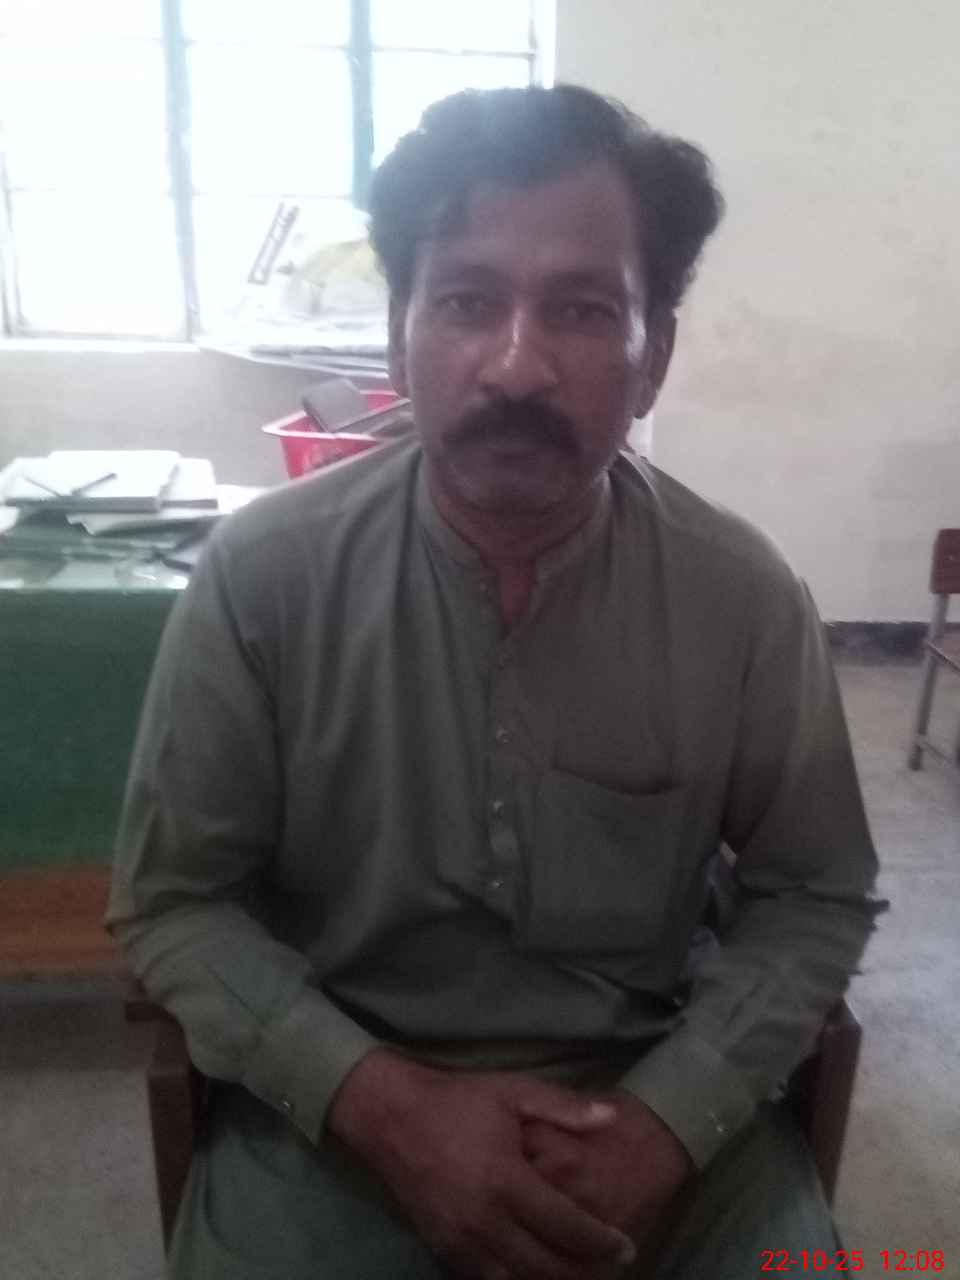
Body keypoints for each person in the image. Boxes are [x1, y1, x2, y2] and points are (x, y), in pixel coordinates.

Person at [108, 85, 883, 1280]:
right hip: (336, 1118)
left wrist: (669, 1121)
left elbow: (815, 892)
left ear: (656, 355)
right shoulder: (263, 578)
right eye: (467, 300)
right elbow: (173, 901)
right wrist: (384, 1107)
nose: (517, 366)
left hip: (651, 1113)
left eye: (583, 309)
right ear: (398, 335)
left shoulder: (740, 598)